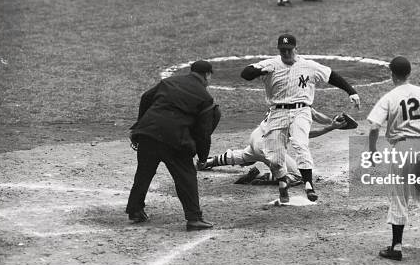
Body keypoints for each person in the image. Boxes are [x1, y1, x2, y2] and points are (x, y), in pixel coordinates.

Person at [241, 33, 360, 204]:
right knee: (273, 157)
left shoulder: (308, 66)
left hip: (302, 111)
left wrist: (351, 92)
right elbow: (245, 74)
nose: (287, 54)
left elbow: (331, 75)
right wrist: (260, 70)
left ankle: (309, 185)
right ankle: (282, 182)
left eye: (289, 50)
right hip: (277, 113)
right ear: (278, 50)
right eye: (283, 51)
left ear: (296, 49)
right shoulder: (270, 64)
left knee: (300, 143)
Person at [366, 56, 420, 261]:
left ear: (392, 75)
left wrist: (372, 149)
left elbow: (374, 126)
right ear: (409, 73)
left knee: (399, 196)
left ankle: (396, 247)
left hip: (402, 149)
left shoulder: (389, 97)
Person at [125, 60, 221, 231]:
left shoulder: (170, 81)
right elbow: (203, 133)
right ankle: (194, 218)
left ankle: (135, 210)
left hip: (148, 134)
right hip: (174, 141)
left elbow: (146, 97)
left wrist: (139, 126)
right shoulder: (205, 97)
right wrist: (203, 157)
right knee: (186, 177)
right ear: (207, 75)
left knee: (144, 173)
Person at [202, 108, 347, 185]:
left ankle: (207, 162)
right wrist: (331, 127)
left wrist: (331, 121)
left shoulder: (282, 100)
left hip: (256, 137)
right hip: (267, 146)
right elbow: (306, 134)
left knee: (246, 155)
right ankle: (258, 176)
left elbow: (313, 113)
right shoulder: (294, 112)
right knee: (298, 175)